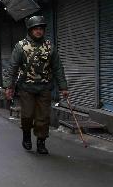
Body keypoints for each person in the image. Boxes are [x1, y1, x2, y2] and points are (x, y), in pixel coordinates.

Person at [4, 15, 68, 155]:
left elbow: (58, 67)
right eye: (36, 29)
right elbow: (13, 67)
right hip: (26, 88)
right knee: (27, 115)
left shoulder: (49, 47)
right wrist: (9, 87)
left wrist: (63, 87)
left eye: (41, 29)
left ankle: (41, 142)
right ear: (30, 30)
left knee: (43, 117)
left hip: (44, 87)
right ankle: (26, 135)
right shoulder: (21, 46)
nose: (39, 31)